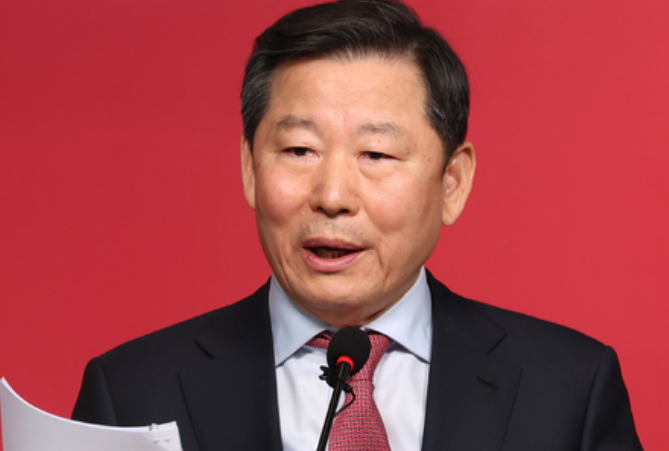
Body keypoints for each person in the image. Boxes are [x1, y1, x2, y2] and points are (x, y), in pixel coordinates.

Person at [72, 1, 644, 450]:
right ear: (250, 169)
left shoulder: (568, 389)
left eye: (376, 155)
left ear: (452, 182)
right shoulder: (131, 392)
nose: (332, 197)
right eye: (299, 150)